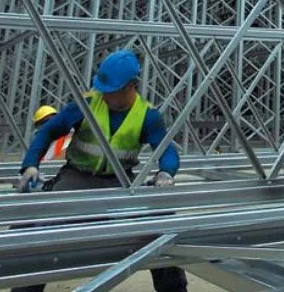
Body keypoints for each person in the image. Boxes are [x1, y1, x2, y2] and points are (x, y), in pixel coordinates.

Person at [12, 50, 185, 292]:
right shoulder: (86, 104)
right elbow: (48, 132)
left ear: (130, 87)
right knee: (41, 230)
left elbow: (166, 150)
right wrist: (30, 165)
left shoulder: (147, 116)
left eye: (110, 90)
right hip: (77, 177)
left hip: (120, 182)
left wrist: (166, 173)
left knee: (159, 233)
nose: (103, 95)